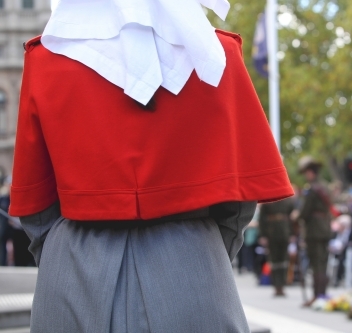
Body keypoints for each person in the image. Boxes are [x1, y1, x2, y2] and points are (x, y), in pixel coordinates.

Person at [8, 1, 294, 332]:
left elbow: (35, 207)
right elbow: (238, 200)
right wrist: (206, 252)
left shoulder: (46, 58)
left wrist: (62, 259)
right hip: (192, 260)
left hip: (75, 256)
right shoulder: (216, 54)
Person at [296, 156, 332, 307]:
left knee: (316, 263)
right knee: (323, 262)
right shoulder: (325, 186)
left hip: (314, 231)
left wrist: (296, 217)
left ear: (311, 173)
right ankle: (322, 293)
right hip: (325, 228)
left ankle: (317, 295)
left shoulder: (312, 189)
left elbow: (305, 211)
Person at [259, 197, 295, 296]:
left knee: (284, 260)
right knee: (274, 260)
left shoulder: (288, 200)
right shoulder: (268, 199)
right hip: (272, 231)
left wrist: (292, 234)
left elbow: (291, 218)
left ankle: (282, 285)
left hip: (284, 231)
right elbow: (262, 218)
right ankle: (276, 285)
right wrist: (263, 235)